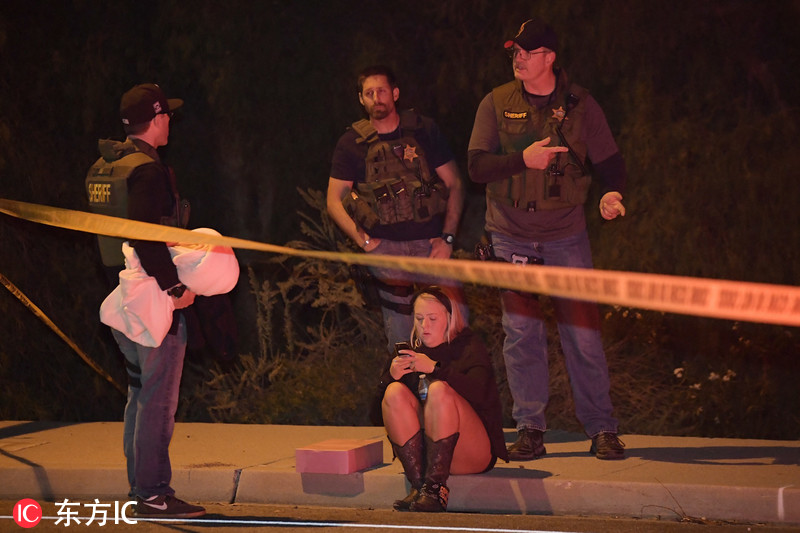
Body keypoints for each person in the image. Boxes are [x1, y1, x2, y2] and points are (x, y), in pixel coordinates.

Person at [468, 19, 628, 461]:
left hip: (565, 237)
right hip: (511, 236)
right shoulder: (496, 102)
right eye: (515, 52)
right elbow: (477, 167)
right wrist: (522, 159)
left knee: (583, 336)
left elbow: (611, 164)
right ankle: (530, 429)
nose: (518, 58)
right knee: (522, 335)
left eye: (528, 52)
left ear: (550, 57)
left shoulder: (581, 105)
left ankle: (602, 428)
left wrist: (612, 194)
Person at [92, 83, 205, 517]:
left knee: (140, 393)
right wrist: (175, 289)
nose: (170, 121)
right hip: (152, 299)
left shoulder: (112, 165)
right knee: (157, 400)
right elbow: (145, 236)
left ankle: (140, 488)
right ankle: (153, 494)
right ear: (157, 119)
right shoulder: (147, 171)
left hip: (120, 297)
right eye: (167, 115)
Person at [327, 65, 467, 356]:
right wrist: (363, 241)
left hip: (430, 245)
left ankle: (451, 383)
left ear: (395, 93)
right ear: (361, 99)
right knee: (402, 341)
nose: (376, 97)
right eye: (369, 93)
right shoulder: (351, 143)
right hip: (386, 251)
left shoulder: (423, 130)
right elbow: (334, 200)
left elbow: (454, 183)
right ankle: (409, 385)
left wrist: (447, 238)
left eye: (381, 91)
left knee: (453, 326)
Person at [379, 286, 508, 512]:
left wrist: (436, 369)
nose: (424, 326)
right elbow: (376, 414)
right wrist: (390, 376)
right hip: (427, 455)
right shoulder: (409, 351)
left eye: (432, 318)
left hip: (471, 450)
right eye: (419, 318)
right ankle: (419, 486)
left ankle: (435, 490)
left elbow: (481, 393)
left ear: (449, 318)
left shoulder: (469, 346)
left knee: (439, 390)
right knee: (393, 392)